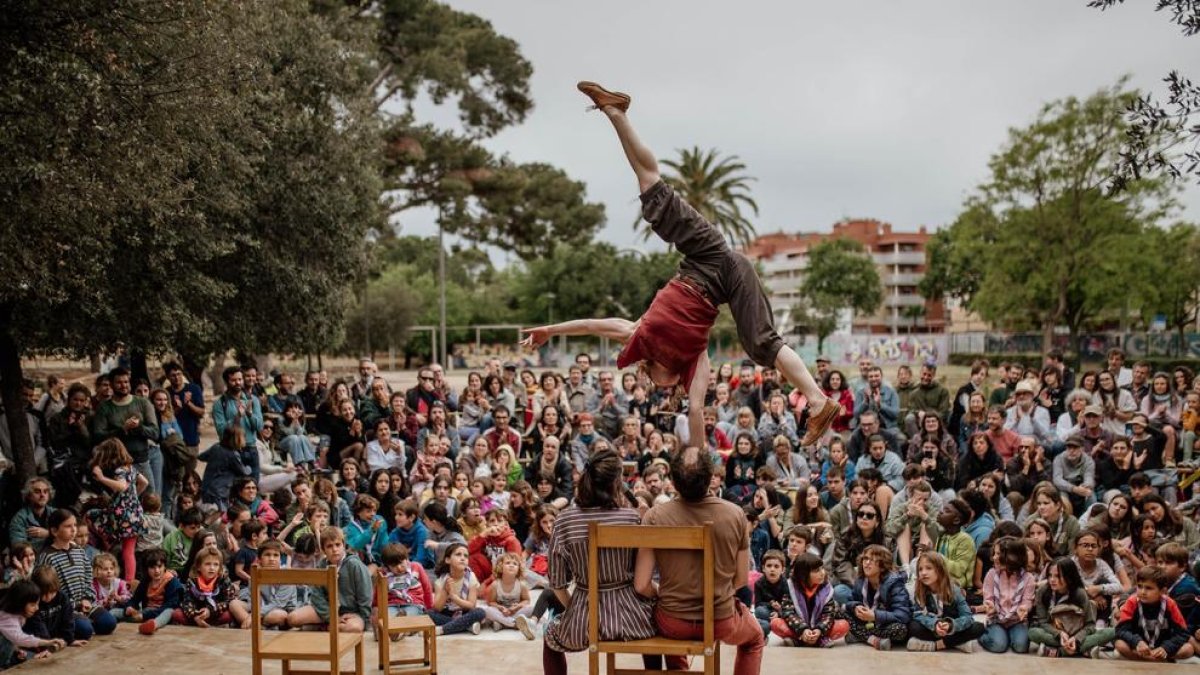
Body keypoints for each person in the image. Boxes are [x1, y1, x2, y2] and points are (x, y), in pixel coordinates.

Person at [521, 82, 838, 451]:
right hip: (725, 278)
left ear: (650, 371)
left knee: (651, 189)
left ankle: (615, 112)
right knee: (760, 344)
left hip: (705, 257)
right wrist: (697, 465)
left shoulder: (641, 337)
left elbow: (593, 325)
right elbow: (697, 407)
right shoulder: (692, 359)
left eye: (660, 385)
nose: (665, 385)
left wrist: (550, 330)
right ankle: (817, 399)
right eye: (668, 388)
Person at [636, 444, 764, 671]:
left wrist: (663, 593)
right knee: (755, 639)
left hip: (672, 620)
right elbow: (741, 580)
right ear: (710, 478)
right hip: (720, 620)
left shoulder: (655, 516)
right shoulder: (735, 515)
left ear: (673, 482)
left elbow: (642, 585)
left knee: (667, 630)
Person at [542, 448, 656, 675]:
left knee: (550, 636)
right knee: (653, 622)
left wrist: (575, 607)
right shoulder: (632, 517)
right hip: (633, 618)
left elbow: (557, 584)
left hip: (583, 617)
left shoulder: (564, 520)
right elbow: (644, 577)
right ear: (616, 483)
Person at [286, 527, 371, 633]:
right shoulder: (322, 565)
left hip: (351, 612)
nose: (334, 549)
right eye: (329, 546)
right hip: (328, 610)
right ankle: (329, 625)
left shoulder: (354, 564)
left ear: (343, 545)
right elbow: (316, 595)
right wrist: (331, 616)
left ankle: (323, 628)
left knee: (354, 628)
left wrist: (364, 619)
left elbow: (365, 595)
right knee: (292, 618)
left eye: (337, 545)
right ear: (323, 549)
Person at [1029, 556, 1115, 658]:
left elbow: (1090, 625)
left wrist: (1076, 638)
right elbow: (1043, 622)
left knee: (1112, 632)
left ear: (1069, 577)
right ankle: (1083, 650)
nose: (1052, 580)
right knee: (1033, 632)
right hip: (1055, 634)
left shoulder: (1079, 593)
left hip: (1078, 633)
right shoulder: (1042, 592)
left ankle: (1058, 652)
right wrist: (1059, 634)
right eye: (1050, 575)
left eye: (1057, 576)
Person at [906, 551, 986, 652]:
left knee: (978, 627)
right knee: (913, 626)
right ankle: (957, 643)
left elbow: (967, 617)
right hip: (934, 628)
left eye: (929, 568)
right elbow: (918, 614)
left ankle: (936, 645)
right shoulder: (919, 590)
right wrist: (935, 624)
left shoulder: (954, 590)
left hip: (952, 628)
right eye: (920, 569)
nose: (923, 573)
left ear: (940, 570)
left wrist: (951, 625)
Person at [1114, 566, 1195, 661]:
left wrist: (1166, 648)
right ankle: (1155, 661)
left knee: (1188, 649)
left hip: (1161, 648)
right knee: (1120, 644)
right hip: (1140, 648)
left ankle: (1153, 659)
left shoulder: (1170, 604)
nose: (1143, 592)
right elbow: (1121, 630)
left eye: (1149, 588)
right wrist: (1137, 642)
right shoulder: (1132, 602)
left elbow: (1183, 634)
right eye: (1139, 586)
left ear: (1162, 591)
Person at [769, 552, 847, 647]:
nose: (822, 573)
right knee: (775, 623)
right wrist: (803, 630)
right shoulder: (790, 587)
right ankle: (801, 638)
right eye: (816, 570)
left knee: (844, 625)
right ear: (804, 574)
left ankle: (815, 639)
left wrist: (819, 630)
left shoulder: (826, 588)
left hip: (820, 629)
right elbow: (788, 613)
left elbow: (828, 614)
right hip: (798, 628)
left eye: (822, 568)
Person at [843, 544, 911, 650]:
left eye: (873, 560)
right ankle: (873, 640)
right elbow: (850, 602)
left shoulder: (894, 583)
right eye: (865, 558)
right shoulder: (860, 580)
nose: (867, 562)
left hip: (884, 624)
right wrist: (856, 607)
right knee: (841, 612)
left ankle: (860, 635)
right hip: (866, 622)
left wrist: (875, 616)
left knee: (900, 629)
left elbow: (903, 615)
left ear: (883, 566)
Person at [978, 536, 1034, 654]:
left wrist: (1024, 608)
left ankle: (1008, 636)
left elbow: (1027, 600)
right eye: (994, 553)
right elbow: (988, 597)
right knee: (999, 646)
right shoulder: (991, 574)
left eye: (999, 554)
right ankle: (982, 635)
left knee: (1021, 647)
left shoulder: (1028, 578)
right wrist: (990, 606)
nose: (994, 557)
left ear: (1013, 557)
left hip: (1016, 621)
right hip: (996, 619)